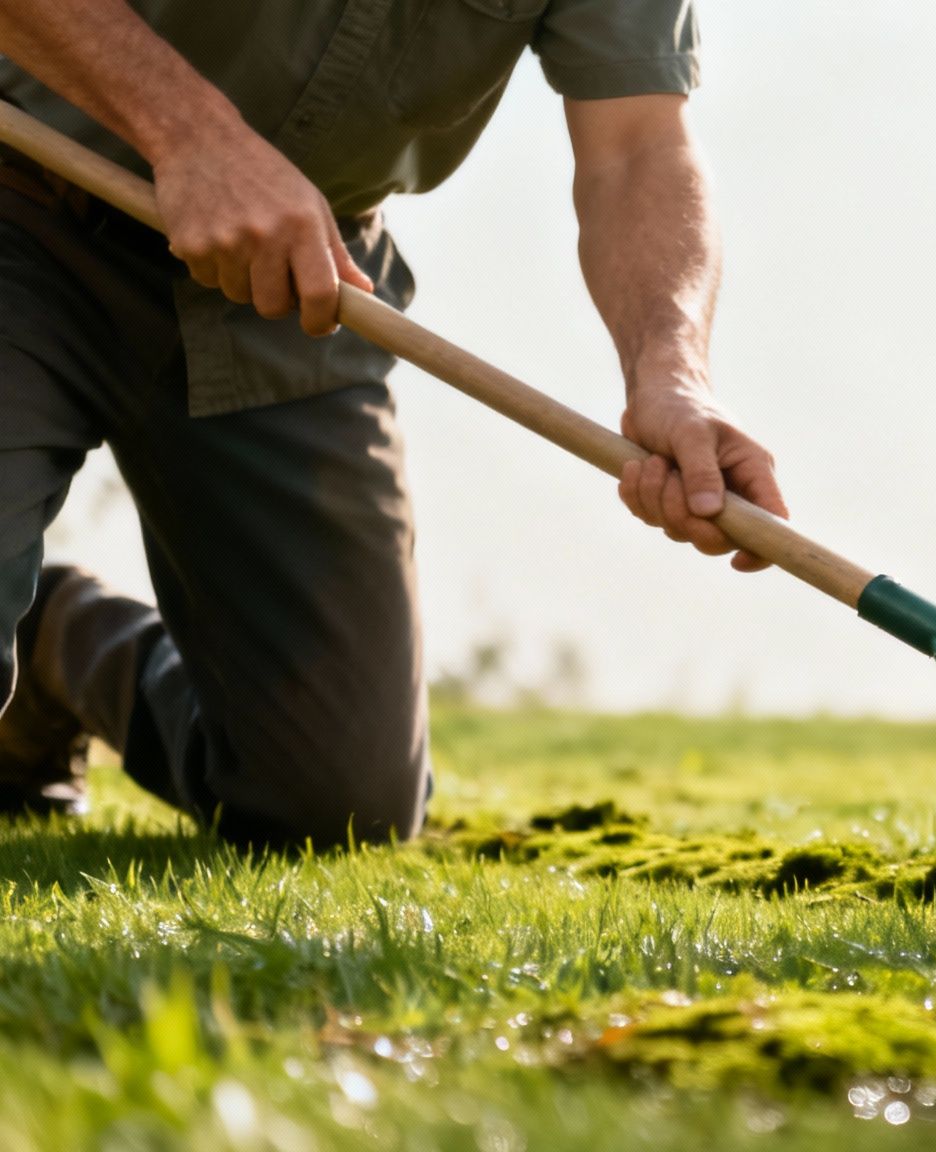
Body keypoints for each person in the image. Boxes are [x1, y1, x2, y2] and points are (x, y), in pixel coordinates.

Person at [0, 0, 784, 843]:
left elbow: (637, 147)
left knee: (337, 807)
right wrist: (192, 136)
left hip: (295, 289)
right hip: (26, 200)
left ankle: (54, 639)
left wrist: (672, 370)